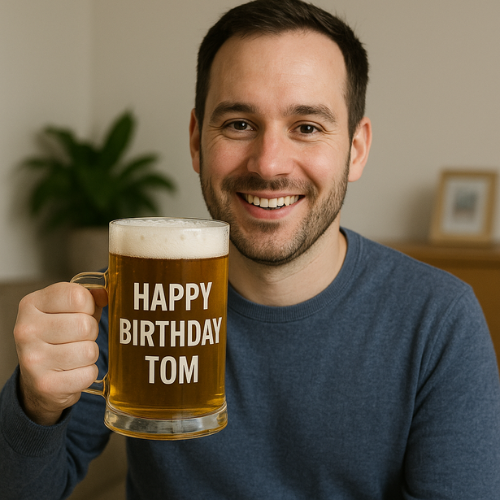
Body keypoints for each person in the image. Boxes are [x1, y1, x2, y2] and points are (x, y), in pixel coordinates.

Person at [1, 0, 500, 498]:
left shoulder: (439, 320)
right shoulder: (139, 299)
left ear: (356, 149)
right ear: (197, 141)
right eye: (239, 123)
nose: (269, 164)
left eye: (307, 127)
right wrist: (34, 405)